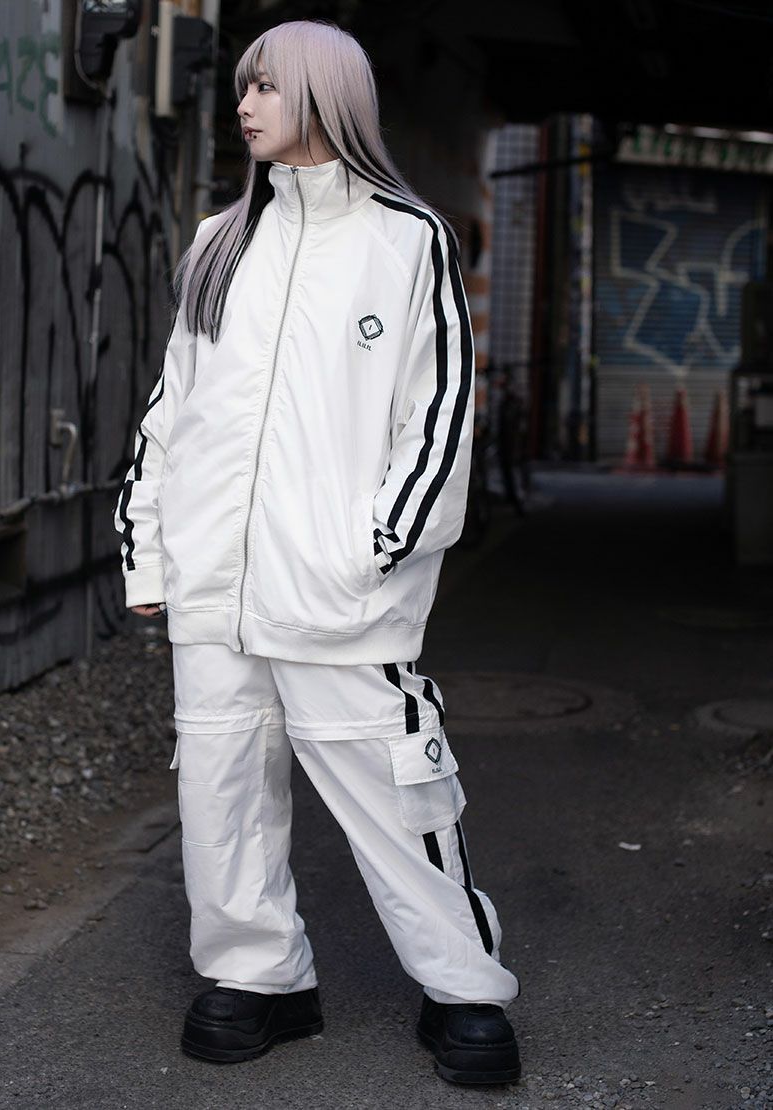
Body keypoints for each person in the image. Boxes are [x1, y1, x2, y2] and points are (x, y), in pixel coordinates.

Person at [113, 18, 520, 1087]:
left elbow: (438, 416)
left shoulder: (407, 239)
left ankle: (465, 988)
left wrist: (374, 548)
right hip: (215, 586)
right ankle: (258, 978)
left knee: (399, 795)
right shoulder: (218, 241)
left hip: (342, 592)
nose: (244, 104)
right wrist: (151, 551)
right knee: (222, 792)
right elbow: (173, 408)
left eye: (267, 86)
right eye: (243, 86)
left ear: (328, 96)